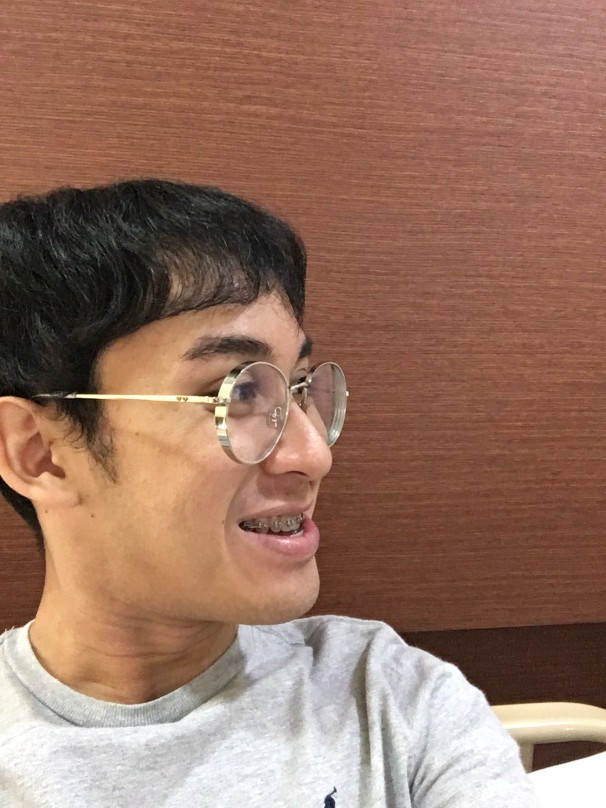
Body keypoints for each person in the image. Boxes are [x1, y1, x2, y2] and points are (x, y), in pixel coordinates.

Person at [0, 179, 537, 806]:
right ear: (39, 453)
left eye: (299, 386)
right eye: (236, 392)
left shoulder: (388, 700)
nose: (313, 456)